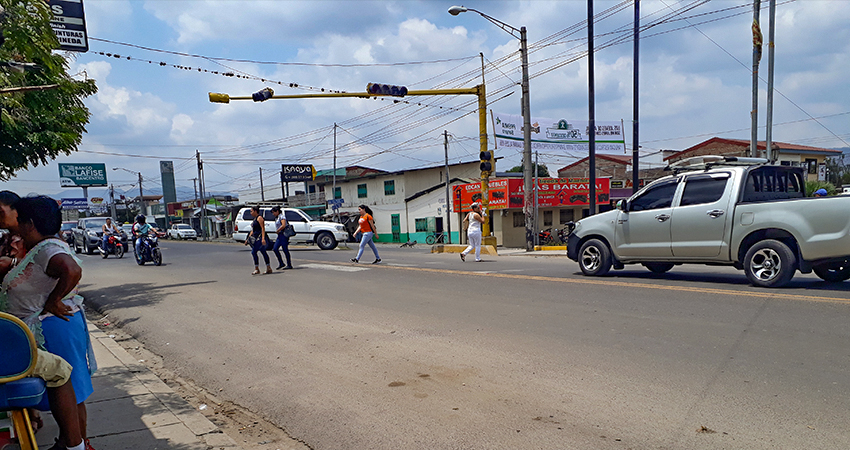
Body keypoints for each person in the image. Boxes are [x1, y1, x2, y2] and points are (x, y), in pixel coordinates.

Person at [0, 196, 95, 450]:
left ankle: (77, 444)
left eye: (18, 219)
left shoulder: (47, 248)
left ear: (30, 223)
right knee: (62, 388)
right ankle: (69, 441)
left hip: (53, 327)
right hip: (44, 328)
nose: (15, 225)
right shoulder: (37, 249)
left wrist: (54, 300)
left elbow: (71, 269)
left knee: (71, 390)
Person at [246, 206, 272, 275]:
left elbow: (263, 229)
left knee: (254, 252)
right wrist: (248, 239)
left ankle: (257, 268)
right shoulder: (255, 219)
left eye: (251, 211)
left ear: (255, 211)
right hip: (255, 238)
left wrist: (263, 238)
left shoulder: (260, 218)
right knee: (263, 252)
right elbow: (253, 230)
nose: (250, 213)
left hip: (259, 239)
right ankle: (268, 267)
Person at [271, 206, 292, 270]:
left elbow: (283, 225)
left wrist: (278, 230)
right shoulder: (277, 218)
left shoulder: (282, 217)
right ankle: (281, 263)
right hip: (280, 235)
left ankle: (289, 264)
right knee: (275, 248)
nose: (273, 214)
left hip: (283, 234)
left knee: (285, 249)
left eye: (273, 212)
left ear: (277, 211)